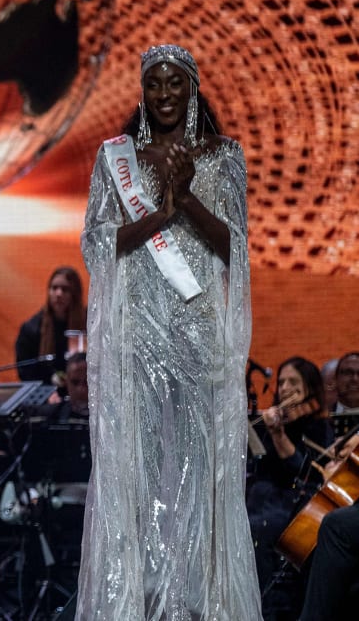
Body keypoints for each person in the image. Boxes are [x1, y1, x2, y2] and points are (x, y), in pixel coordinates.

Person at [77, 44, 261, 619]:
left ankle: (201, 603)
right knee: (139, 473)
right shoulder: (116, 159)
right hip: (138, 339)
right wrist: (159, 213)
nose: (163, 94)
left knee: (199, 475)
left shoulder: (224, 157)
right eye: (153, 83)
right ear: (142, 89)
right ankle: (141, 602)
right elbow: (95, 244)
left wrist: (185, 201)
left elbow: (235, 247)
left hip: (198, 338)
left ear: (192, 88)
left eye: (174, 83)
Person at [245, 357, 333, 619]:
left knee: (265, 525)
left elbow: (303, 472)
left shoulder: (318, 427)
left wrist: (278, 435)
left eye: (293, 382)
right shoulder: (269, 422)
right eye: (281, 382)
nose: (284, 388)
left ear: (309, 387)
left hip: (293, 503)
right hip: (261, 499)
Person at [14, 266, 85, 386]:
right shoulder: (31, 329)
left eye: (65, 289)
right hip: (46, 393)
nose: (58, 293)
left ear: (75, 294)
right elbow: (26, 372)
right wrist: (50, 383)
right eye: (54, 288)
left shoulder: (89, 323)